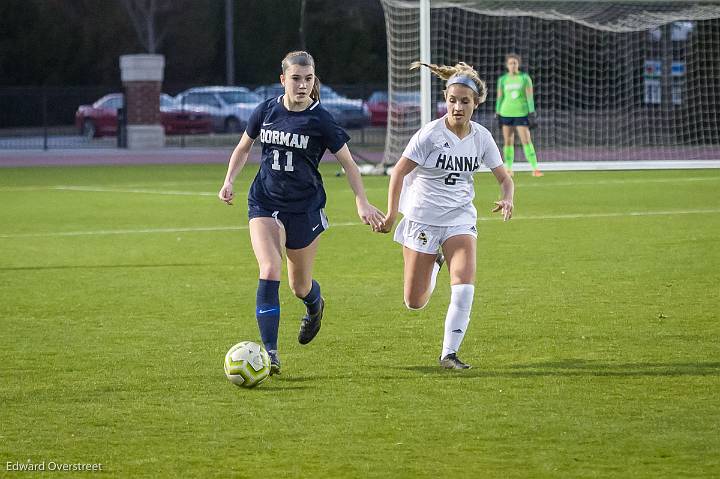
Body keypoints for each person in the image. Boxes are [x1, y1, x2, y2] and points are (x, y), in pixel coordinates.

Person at [218, 51, 384, 375]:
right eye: (296, 78)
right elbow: (243, 147)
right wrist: (229, 180)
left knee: (300, 286)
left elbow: (349, 163)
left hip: (305, 208)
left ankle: (315, 305)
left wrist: (361, 201)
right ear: (283, 80)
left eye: (308, 79)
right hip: (264, 202)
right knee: (269, 267)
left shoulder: (320, 119)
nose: (303, 85)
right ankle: (270, 353)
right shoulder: (266, 110)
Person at [377, 61, 514, 369]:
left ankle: (448, 354)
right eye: (452, 100)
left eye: (464, 101)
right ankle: (434, 264)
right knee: (415, 301)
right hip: (422, 218)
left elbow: (505, 178)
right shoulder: (429, 135)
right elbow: (398, 172)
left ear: (476, 103)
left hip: (459, 219)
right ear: (446, 100)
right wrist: (390, 215)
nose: (457, 106)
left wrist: (507, 198)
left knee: (465, 284)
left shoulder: (481, 138)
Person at [496, 53, 543, 177]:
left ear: (518, 64)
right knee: (508, 141)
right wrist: (497, 112)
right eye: (510, 63)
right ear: (507, 65)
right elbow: (500, 97)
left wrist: (532, 111)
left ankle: (535, 168)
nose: (513, 65)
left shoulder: (524, 78)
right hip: (506, 113)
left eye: (515, 63)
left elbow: (529, 96)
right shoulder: (503, 79)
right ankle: (509, 169)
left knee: (526, 140)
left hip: (521, 113)